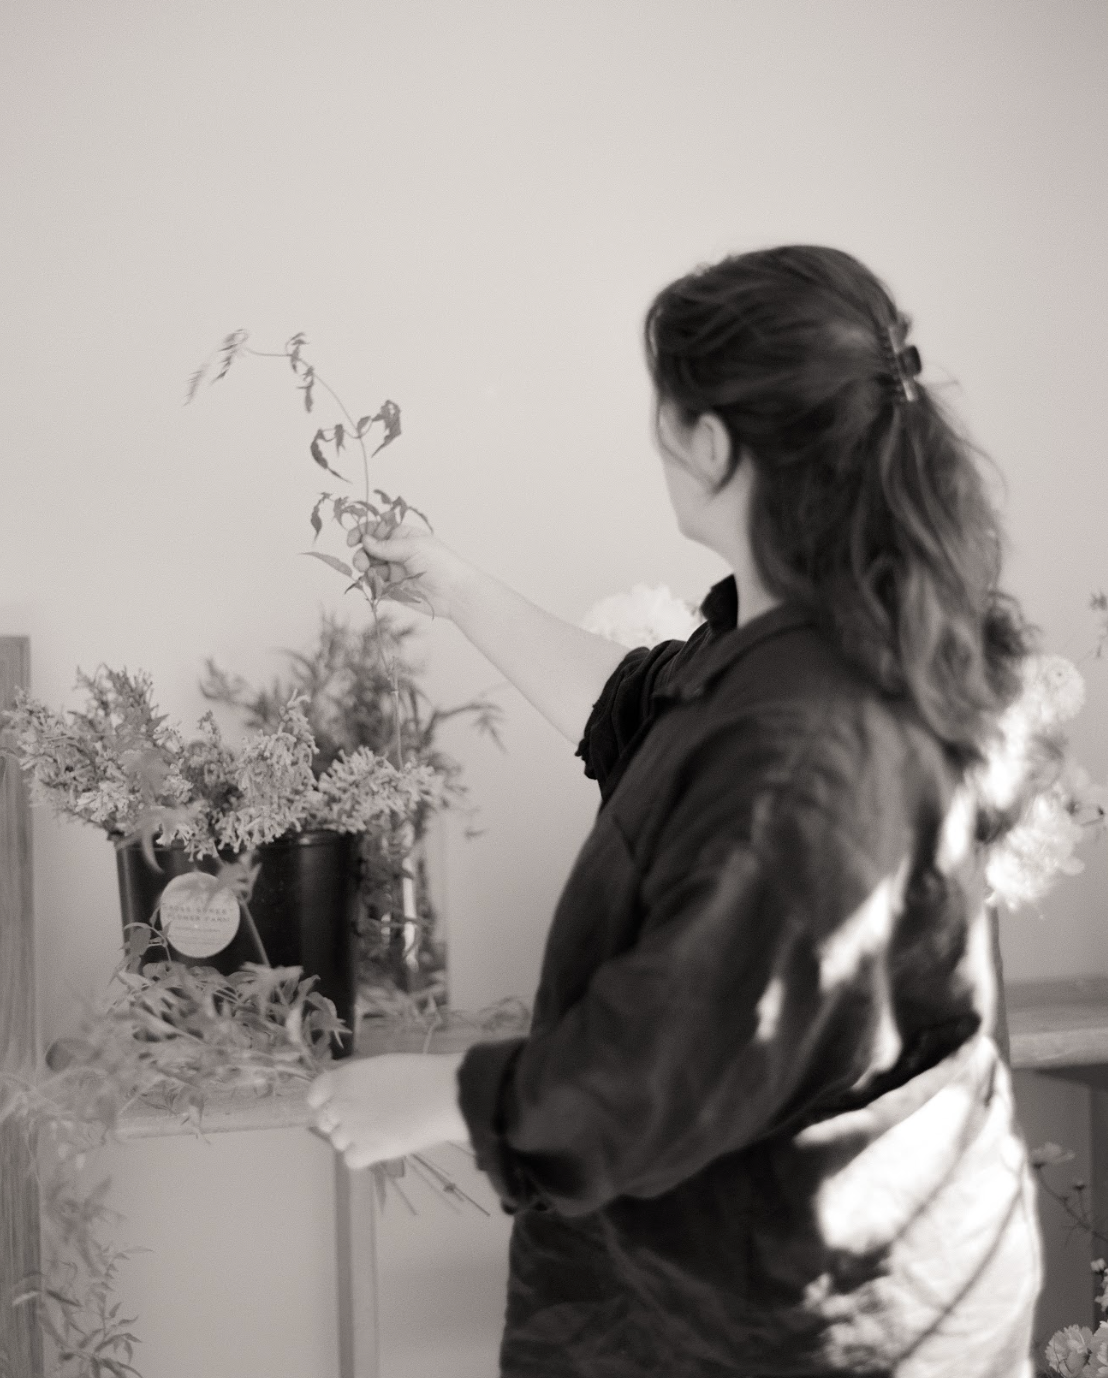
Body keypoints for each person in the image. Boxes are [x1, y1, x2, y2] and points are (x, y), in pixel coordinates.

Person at [307, 245, 1043, 1377]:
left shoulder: (806, 737)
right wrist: (448, 584)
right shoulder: (818, 641)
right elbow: (643, 710)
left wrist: (439, 1098)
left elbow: (675, 1047)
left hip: (798, 1313)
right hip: (858, 1271)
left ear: (707, 440)